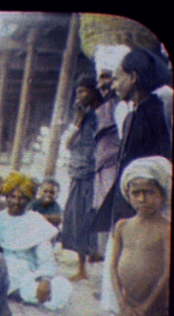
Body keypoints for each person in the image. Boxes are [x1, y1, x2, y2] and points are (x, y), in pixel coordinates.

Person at [96, 47, 172, 314]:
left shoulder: (152, 111)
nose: (113, 84)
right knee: (118, 262)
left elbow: (160, 162)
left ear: (134, 77)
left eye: (117, 78)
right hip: (128, 202)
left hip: (142, 203)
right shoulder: (133, 113)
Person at [106, 156, 171, 316]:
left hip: (157, 305)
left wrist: (147, 305)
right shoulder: (123, 226)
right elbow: (112, 267)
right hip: (129, 302)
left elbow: (167, 271)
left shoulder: (166, 229)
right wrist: (122, 303)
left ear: (162, 194)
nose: (142, 199)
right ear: (128, 195)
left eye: (149, 192)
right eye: (136, 193)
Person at [0, 172, 72, 310]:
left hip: (27, 272)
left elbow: (46, 258)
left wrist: (45, 280)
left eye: (22, 198)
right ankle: (16, 293)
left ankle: (19, 292)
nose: (16, 201)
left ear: (29, 200)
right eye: (12, 196)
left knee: (61, 288)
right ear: (6, 197)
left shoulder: (35, 221)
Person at [61, 74, 103, 280]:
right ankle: (81, 267)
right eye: (77, 92)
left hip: (94, 174)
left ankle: (88, 264)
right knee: (76, 217)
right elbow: (68, 143)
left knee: (89, 218)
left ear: (93, 92)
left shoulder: (100, 115)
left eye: (83, 91)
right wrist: (78, 121)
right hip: (78, 173)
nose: (79, 96)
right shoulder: (81, 115)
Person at [91, 45, 131, 262]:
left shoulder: (123, 106)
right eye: (99, 79)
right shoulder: (104, 106)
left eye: (107, 77)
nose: (101, 84)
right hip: (102, 168)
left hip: (116, 168)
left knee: (117, 219)